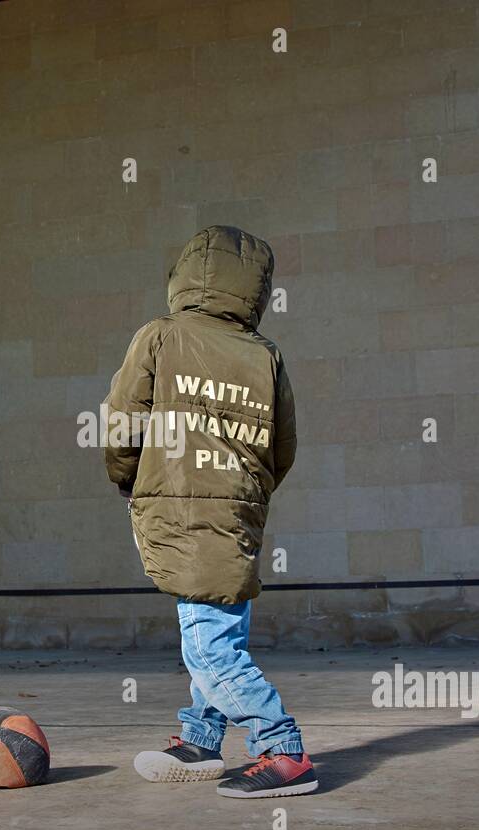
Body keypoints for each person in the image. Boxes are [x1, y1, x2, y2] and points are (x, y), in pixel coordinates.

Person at [103, 224, 317, 798]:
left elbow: (123, 419)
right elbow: (284, 447)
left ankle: (282, 748)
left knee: (208, 645)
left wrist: (127, 476)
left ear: (185, 276)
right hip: (238, 514)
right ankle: (202, 738)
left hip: (180, 506)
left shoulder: (160, 338)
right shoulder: (265, 356)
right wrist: (247, 491)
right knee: (222, 626)